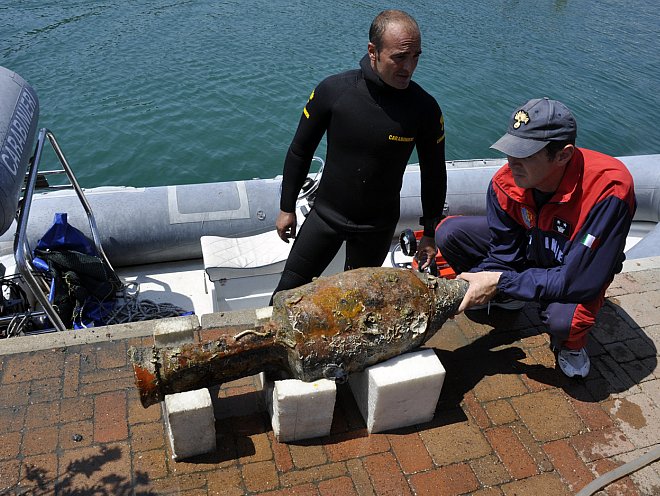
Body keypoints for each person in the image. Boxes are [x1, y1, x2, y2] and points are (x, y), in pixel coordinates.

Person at [435, 98, 636, 378]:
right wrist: (467, 286)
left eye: (525, 154)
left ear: (563, 155)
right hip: (536, 248)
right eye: (509, 150)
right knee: (449, 233)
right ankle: (510, 298)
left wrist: (499, 281)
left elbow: (579, 281)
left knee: (564, 321)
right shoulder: (504, 183)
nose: (511, 162)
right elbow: (503, 253)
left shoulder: (609, 190)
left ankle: (571, 344)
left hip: (578, 267)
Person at [271, 9, 446, 301]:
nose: (409, 67)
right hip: (326, 216)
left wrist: (430, 232)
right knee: (284, 298)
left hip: (376, 227)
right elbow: (301, 149)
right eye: (400, 57)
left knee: (357, 308)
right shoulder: (334, 91)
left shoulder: (424, 109)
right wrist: (287, 207)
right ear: (373, 51)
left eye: (416, 56)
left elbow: (433, 172)